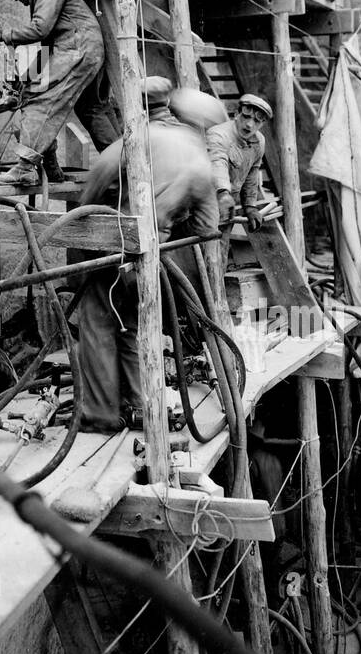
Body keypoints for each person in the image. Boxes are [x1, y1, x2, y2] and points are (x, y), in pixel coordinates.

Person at [73, 76, 222, 433]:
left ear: (135, 107)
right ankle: (141, 405)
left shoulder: (134, 141)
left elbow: (90, 192)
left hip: (122, 248)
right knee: (134, 327)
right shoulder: (197, 156)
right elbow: (206, 228)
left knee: (96, 319)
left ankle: (100, 413)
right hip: (155, 258)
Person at [0, 0, 118, 189]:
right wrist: (26, 77)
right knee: (90, 109)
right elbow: (47, 46)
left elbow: (38, 30)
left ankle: (25, 167)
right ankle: (119, 166)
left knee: (38, 100)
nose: (17, 0)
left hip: (77, 51)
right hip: (86, 52)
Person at [206, 92, 273, 235]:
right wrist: (223, 193)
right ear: (237, 113)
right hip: (206, 204)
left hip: (228, 206)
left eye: (256, 121)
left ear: (262, 124)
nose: (249, 124)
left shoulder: (259, 142)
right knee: (207, 250)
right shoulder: (218, 134)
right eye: (246, 116)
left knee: (222, 249)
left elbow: (252, 174)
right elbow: (218, 162)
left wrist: (250, 206)